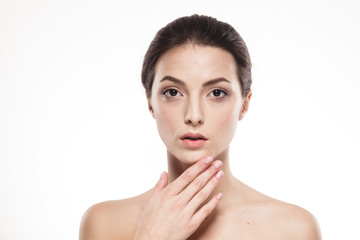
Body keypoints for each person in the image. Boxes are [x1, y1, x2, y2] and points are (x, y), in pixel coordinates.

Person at [79, 14, 321, 240]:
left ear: (244, 105)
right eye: (172, 92)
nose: (193, 115)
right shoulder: (104, 224)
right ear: (150, 102)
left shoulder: (293, 229)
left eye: (217, 93)